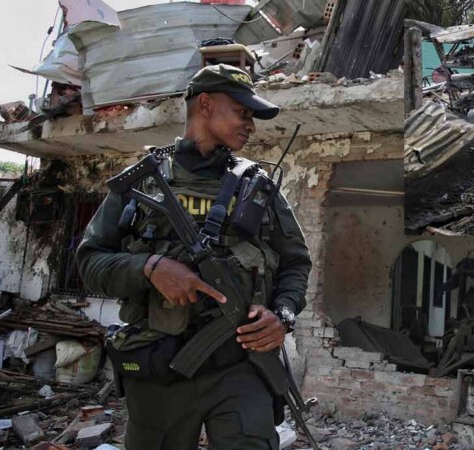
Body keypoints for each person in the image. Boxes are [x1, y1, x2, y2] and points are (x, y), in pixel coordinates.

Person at [77, 64, 312, 450]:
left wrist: (282, 316)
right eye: (242, 112)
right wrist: (149, 268)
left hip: (241, 365)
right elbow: (89, 262)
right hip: (159, 367)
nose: (250, 124)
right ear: (205, 104)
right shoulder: (139, 183)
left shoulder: (258, 188)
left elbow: (295, 263)